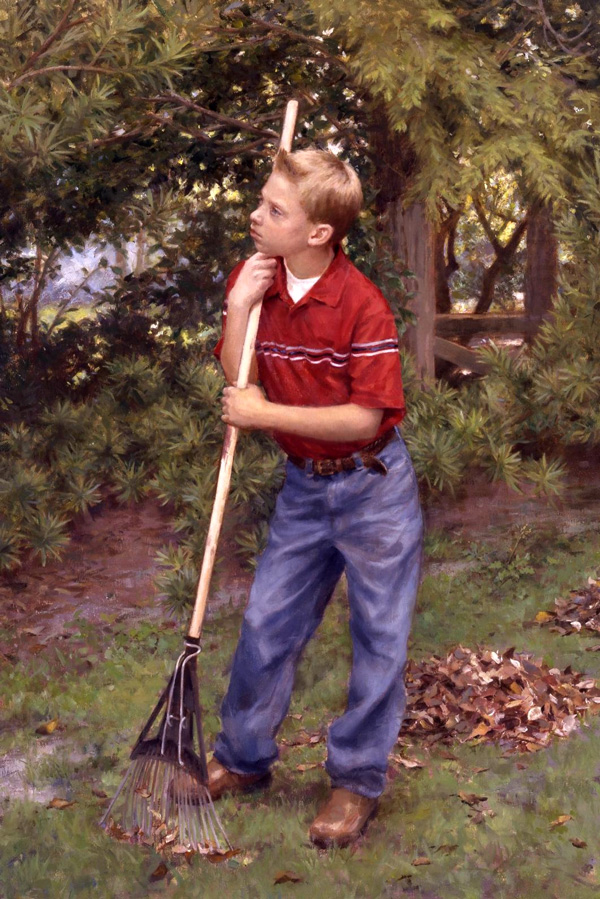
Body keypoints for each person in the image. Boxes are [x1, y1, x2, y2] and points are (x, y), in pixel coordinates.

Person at [209, 148, 423, 848]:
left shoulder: (362, 305)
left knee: (379, 639)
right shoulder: (258, 279)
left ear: (318, 234)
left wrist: (265, 416)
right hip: (306, 488)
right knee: (268, 621)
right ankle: (243, 758)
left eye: (274, 210)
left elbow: (364, 419)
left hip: (372, 488)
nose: (256, 214)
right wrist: (240, 304)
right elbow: (238, 371)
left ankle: (356, 782)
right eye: (262, 200)